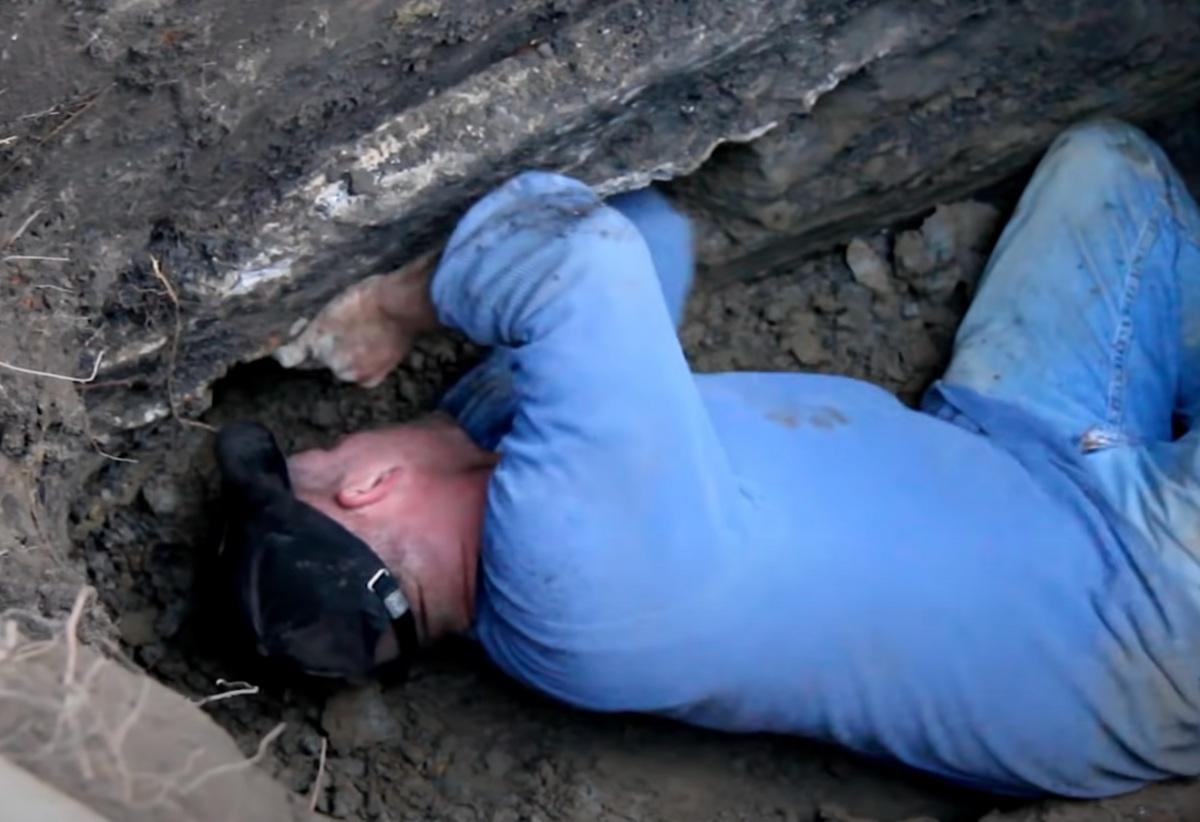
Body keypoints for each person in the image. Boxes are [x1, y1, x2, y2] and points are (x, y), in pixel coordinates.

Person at [219, 119, 1200, 799]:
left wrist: (466, 415)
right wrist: (392, 310)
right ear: (367, 484)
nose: (347, 433)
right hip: (1149, 617)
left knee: (1112, 173)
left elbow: (652, 244)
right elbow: (585, 262)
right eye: (328, 445)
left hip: (1020, 461)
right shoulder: (577, 571)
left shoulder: (527, 526)